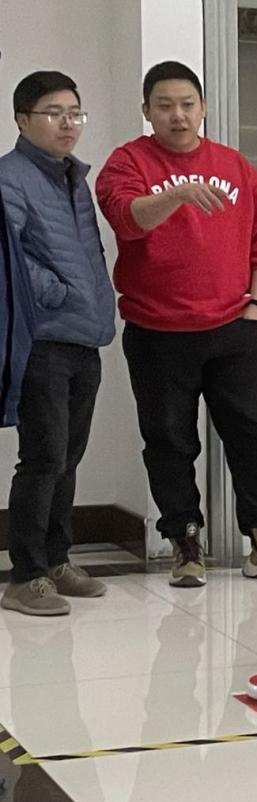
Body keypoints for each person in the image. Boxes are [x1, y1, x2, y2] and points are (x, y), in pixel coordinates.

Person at [95, 61, 257, 588]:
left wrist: (256, 307)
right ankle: (185, 543)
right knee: (169, 441)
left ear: (204, 107)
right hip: (157, 331)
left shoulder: (236, 166)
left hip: (235, 330)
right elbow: (127, 218)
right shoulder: (127, 162)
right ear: (147, 111)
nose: (178, 115)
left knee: (254, 437)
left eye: (188, 104)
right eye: (165, 106)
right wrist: (176, 194)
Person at [0, 71, 115, 616]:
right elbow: (7, 255)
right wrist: (57, 291)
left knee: (68, 457)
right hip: (43, 337)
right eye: (54, 113)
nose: (68, 123)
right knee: (43, 457)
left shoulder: (74, 178)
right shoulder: (11, 177)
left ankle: (56, 560)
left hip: (83, 337)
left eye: (75, 113)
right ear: (22, 120)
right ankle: (25, 576)